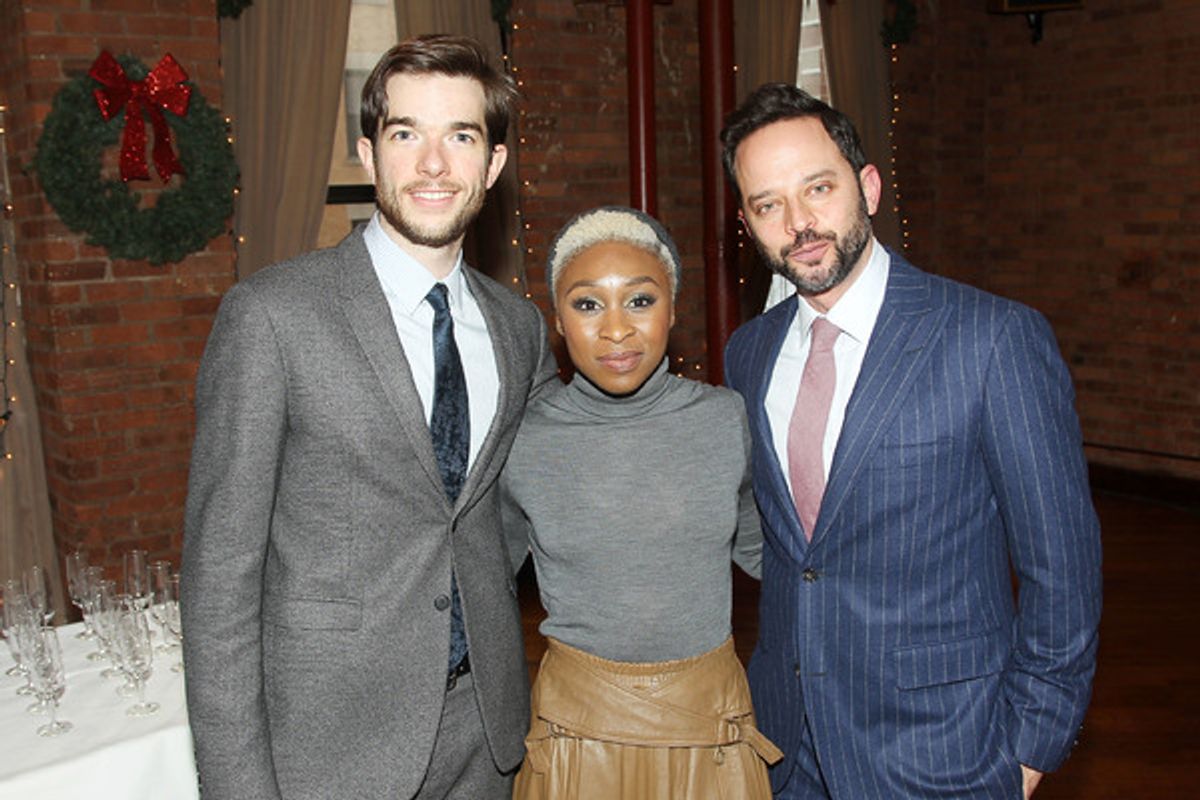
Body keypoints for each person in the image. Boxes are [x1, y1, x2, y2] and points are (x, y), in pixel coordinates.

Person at [180, 34, 556, 800]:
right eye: (405, 133)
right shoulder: (272, 316)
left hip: (485, 731)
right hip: (329, 744)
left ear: (493, 165)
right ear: (367, 153)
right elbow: (220, 579)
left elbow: (511, 509)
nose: (431, 164)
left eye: (461, 136)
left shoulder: (520, 331)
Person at [719, 83, 1103, 799]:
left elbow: (1063, 571)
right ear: (746, 221)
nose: (798, 223)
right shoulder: (749, 352)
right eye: (767, 204)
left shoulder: (992, 339)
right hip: (786, 750)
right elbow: (792, 553)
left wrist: (1029, 749)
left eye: (818, 188)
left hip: (947, 752)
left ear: (867, 186)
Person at [501, 206, 782, 800]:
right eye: (587, 304)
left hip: (712, 733)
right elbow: (477, 582)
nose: (616, 330)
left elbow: (779, 561)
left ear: (673, 309)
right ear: (558, 318)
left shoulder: (724, 420)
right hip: (578, 737)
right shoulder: (524, 438)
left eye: (639, 300)